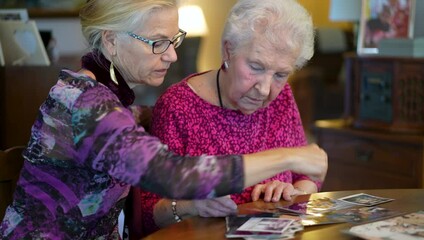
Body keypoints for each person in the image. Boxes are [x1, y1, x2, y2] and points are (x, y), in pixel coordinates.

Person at [0, 0, 327, 239]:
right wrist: (290, 155)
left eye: (173, 40)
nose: (171, 55)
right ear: (111, 40)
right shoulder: (84, 103)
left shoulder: (113, 100)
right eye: (157, 43)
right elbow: (175, 176)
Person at [136, 0, 322, 237]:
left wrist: (292, 192)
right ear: (228, 51)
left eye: (280, 74)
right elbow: (147, 215)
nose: (264, 90)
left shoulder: (282, 97)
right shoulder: (178, 106)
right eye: (256, 67)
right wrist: (190, 206)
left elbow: (306, 177)